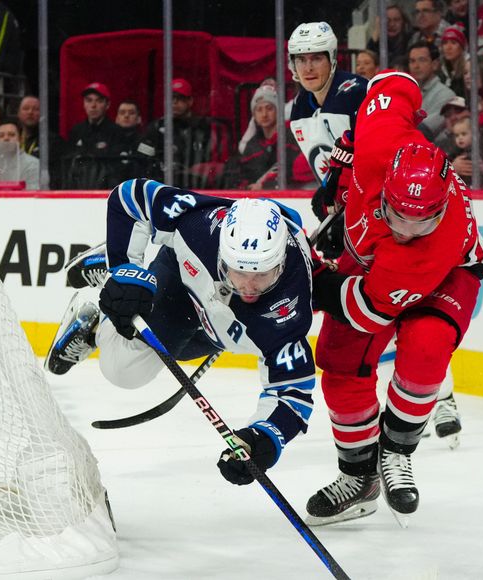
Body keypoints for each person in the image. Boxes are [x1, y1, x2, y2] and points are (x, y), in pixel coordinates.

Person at [305, 70, 483, 528]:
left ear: (442, 206)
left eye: (419, 222)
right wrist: (345, 159)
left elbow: (370, 311)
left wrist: (319, 287)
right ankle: (359, 478)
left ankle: (398, 451)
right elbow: (392, 83)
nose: (407, 230)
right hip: (372, 263)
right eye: (397, 216)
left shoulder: (431, 245)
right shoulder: (381, 139)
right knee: (338, 361)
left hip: (448, 276)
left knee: (425, 348)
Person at [45, 188, 317, 487]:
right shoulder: (199, 226)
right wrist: (123, 267)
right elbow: (129, 197)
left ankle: (99, 321)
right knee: (124, 372)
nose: (249, 287)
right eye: (239, 272)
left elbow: (293, 395)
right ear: (223, 254)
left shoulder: (289, 310)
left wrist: (263, 437)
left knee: (182, 352)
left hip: (219, 322)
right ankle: (98, 309)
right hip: (181, 280)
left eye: (262, 275)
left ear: (280, 263)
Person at [288, 21, 367, 258]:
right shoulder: (300, 107)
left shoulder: (356, 94)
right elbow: (325, 163)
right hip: (344, 207)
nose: (308, 67)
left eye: (316, 59)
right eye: (301, 59)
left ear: (331, 58)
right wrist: (327, 193)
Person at [136, 78, 215, 190]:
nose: (174, 102)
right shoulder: (156, 127)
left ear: (190, 101)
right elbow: (142, 157)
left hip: (196, 186)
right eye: (171, 98)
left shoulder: (202, 128)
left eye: (180, 98)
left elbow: (211, 160)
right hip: (162, 185)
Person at [221, 85, 297, 190]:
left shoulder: (291, 137)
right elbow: (241, 177)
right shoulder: (252, 145)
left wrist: (264, 185)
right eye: (259, 110)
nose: (264, 114)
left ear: (278, 111)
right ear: (254, 116)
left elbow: (291, 169)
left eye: (269, 108)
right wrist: (246, 188)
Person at [64, 82, 123, 189]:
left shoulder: (116, 132)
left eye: (99, 101)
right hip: (78, 192)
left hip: (105, 191)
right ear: (83, 104)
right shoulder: (77, 131)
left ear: (107, 104)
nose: (93, 106)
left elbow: (116, 170)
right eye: (89, 100)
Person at [407, 41, 456, 139]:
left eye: (422, 60)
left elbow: (425, 130)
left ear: (435, 64)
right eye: (412, 61)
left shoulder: (446, 95)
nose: (416, 66)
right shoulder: (407, 94)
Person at [0, 119, 40, 189]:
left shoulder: (32, 164)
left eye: (11, 135)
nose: (6, 138)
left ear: (21, 139)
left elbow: (33, 195)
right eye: (1, 136)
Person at [439, 25, 467, 98]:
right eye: (445, 43)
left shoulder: (467, 71)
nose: (448, 47)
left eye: (453, 43)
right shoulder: (443, 72)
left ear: (462, 47)